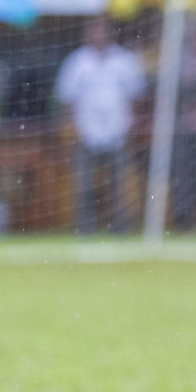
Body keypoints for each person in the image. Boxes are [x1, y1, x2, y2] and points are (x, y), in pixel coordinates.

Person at [55, 16, 147, 234]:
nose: (98, 35)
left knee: (120, 185)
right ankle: (86, 229)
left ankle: (120, 229)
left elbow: (137, 96)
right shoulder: (77, 62)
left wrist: (133, 124)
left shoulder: (124, 61)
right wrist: (71, 128)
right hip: (86, 133)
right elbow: (66, 100)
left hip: (119, 131)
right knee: (84, 185)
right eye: (94, 31)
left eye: (102, 30)